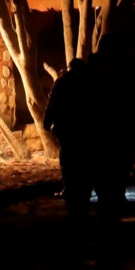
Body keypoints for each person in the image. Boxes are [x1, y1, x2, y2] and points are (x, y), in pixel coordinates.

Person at [89, 32, 135, 247]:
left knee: (114, 179)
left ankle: (109, 222)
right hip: (108, 135)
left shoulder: (99, 72)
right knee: (107, 181)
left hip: (115, 134)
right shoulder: (100, 72)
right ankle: (109, 223)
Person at [43, 57, 95, 242]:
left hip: (67, 132)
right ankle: (83, 204)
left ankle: (73, 206)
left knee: (69, 166)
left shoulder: (63, 82)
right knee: (85, 169)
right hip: (86, 133)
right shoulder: (90, 81)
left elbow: (52, 104)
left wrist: (47, 122)